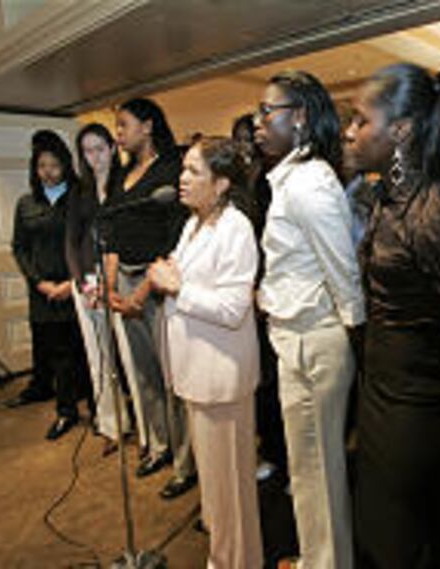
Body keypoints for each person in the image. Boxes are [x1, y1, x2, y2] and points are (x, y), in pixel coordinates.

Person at [344, 63, 440, 568]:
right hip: (381, 393)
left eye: (360, 120)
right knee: (379, 534)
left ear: (401, 129)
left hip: (420, 410)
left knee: (412, 543)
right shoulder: (385, 197)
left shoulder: (439, 212)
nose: (349, 132)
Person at [254, 70, 364, 569]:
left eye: (266, 111)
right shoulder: (291, 179)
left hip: (315, 342)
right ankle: (319, 557)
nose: (258, 122)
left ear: (298, 117)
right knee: (306, 469)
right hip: (293, 337)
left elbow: (344, 276)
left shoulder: (310, 185)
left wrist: (355, 341)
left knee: (319, 470)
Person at [148, 137, 263, 569]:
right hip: (197, 373)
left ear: (221, 184)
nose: (181, 179)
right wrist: (171, 277)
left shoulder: (236, 228)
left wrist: (178, 286)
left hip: (221, 377)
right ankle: (222, 558)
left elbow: (234, 309)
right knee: (215, 492)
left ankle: (238, 562)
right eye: (183, 169)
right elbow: (179, 271)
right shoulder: (193, 224)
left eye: (193, 171)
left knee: (230, 492)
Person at [105, 98, 196, 498]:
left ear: (147, 125)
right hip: (123, 282)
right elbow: (111, 233)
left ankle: (185, 462)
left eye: (123, 125)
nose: (118, 133)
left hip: (157, 281)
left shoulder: (169, 172)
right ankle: (159, 446)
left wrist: (142, 291)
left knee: (172, 378)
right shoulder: (123, 174)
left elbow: (174, 239)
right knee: (144, 375)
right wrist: (111, 287)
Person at [8, 130, 92, 440]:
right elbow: (19, 247)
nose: (48, 172)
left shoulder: (79, 198)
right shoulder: (25, 203)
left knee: (84, 351)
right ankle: (66, 412)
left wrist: (71, 283)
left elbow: (85, 244)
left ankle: (98, 411)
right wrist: (39, 282)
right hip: (43, 293)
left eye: (54, 165)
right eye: (42, 165)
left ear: (66, 165)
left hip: (77, 287)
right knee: (57, 356)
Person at [66, 122, 132, 456]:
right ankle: (111, 425)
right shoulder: (79, 191)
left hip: (120, 278)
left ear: (112, 147)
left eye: (100, 148)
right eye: (87, 151)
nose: (94, 157)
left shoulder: (127, 181)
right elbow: (71, 241)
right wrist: (80, 282)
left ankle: (145, 430)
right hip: (88, 282)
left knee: (130, 356)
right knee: (99, 357)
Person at [231, 113, 288, 484]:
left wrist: (262, 287)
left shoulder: (272, 180)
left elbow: (271, 242)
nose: (244, 146)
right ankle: (269, 450)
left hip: (267, 289)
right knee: (258, 383)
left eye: (248, 139)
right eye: (237, 140)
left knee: (274, 384)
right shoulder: (236, 181)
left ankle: (283, 462)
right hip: (244, 287)